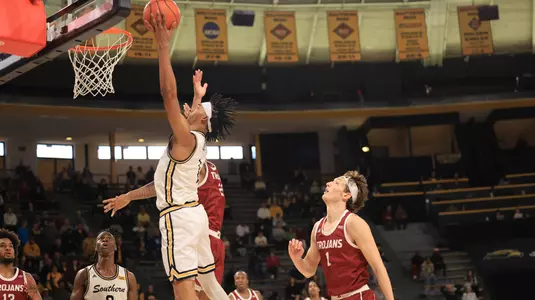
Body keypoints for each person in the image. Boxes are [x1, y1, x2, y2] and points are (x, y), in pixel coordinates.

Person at [102, 10, 236, 300]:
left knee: (183, 287)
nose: (191, 106)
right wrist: (128, 197)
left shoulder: (186, 140)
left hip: (180, 218)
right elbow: (160, 186)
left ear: (201, 121)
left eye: (196, 108)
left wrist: (163, 45)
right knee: (211, 286)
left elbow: (169, 95)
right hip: (194, 214)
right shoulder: (195, 142)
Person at [104, 160, 227, 300]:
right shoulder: (211, 167)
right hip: (213, 239)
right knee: (210, 293)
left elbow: (160, 186)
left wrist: (128, 196)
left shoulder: (192, 164)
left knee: (183, 292)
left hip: (195, 237)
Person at [288, 171, 394, 300]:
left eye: (336, 182)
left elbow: (378, 267)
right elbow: (309, 270)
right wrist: (297, 259)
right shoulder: (318, 228)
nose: (328, 183)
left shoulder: (353, 223)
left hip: (358, 296)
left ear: (346, 195)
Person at [70, 230, 138, 299]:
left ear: (115, 247)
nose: (105, 239)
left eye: (109, 238)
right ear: (96, 247)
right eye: (101, 238)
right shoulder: (84, 274)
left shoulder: (129, 277)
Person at [0, 228, 41, 300]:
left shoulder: (26, 278)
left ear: (15, 253)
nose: (7, 248)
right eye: (2, 245)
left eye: (11, 246)